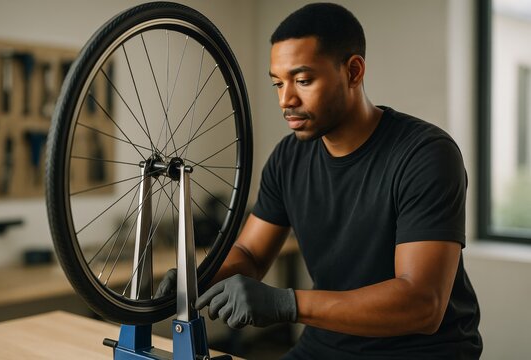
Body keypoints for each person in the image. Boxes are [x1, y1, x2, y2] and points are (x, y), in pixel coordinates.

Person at [156, 3, 483, 359]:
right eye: (278, 83)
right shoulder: (288, 157)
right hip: (325, 346)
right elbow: (250, 253)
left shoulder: (425, 154)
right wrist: (196, 278)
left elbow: (422, 304)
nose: (286, 100)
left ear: (353, 71)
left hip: (420, 352)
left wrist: (286, 303)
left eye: (303, 80)